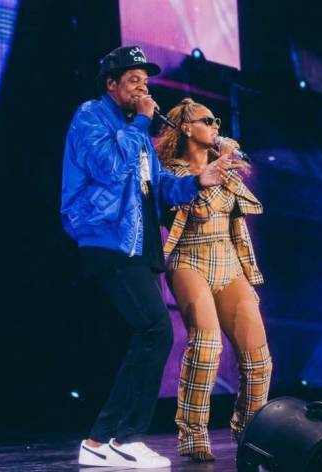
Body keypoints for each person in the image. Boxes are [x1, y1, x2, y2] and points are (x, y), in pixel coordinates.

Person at [61, 45, 241, 468]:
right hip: (106, 238)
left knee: (151, 333)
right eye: (133, 80)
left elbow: (158, 188)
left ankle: (102, 441)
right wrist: (142, 121)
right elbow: (108, 168)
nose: (143, 88)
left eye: (145, 81)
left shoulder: (135, 131)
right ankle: (120, 437)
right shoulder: (91, 116)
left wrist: (198, 180)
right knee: (155, 330)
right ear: (111, 84)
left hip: (139, 244)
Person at [155, 98, 271, 462]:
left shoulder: (227, 170)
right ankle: (192, 432)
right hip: (190, 259)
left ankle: (249, 431)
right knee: (207, 346)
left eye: (217, 121)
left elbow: (247, 208)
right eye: (208, 120)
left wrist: (226, 162)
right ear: (186, 128)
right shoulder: (172, 174)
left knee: (259, 360)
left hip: (228, 261)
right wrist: (220, 164)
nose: (216, 125)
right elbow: (200, 206)